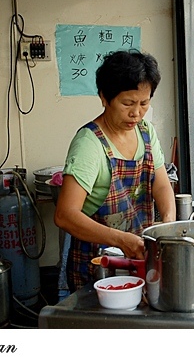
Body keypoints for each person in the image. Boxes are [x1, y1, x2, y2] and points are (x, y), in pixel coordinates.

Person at [54, 49, 176, 292]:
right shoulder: (90, 144)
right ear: (104, 97)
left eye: (144, 103)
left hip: (139, 259)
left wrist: (168, 225)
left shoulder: (145, 131)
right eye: (127, 103)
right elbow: (65, 215)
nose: (136, 113)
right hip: (98, 268)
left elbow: (161, 184)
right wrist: (121, 240)